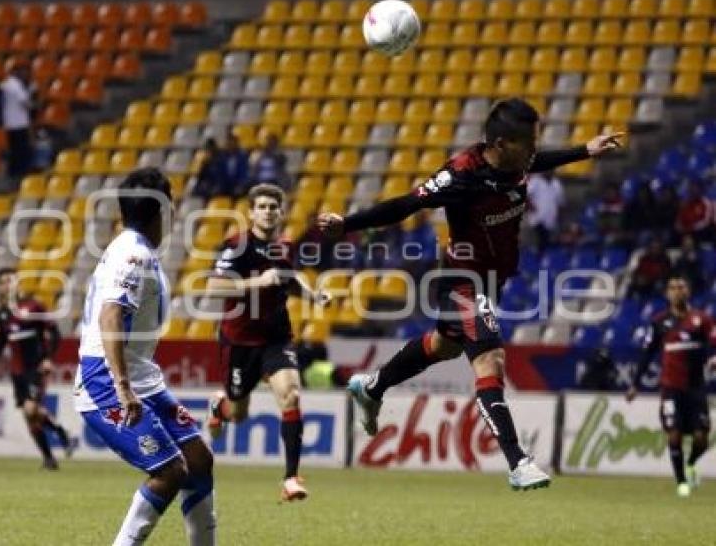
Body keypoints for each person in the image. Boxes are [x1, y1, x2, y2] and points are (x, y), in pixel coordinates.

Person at [318, 98, 622, 491]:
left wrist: (585, 149)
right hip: (464, 278)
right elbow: (408, 204)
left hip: (494, 279)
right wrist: (347, 224)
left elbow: (540, 160)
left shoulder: (518, 160)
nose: (533, 149)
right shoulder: (461, 174)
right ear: (499, 143)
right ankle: (518, 461)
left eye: (534, 141)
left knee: (443, 346)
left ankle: (372, 386)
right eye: (526, 142)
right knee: (490, 360)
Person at [75, 167, 216, 545]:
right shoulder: (134, 255)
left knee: (199, 459)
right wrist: (122, 386)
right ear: (163, 211)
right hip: (105, 378)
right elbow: (110, 315)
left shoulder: (133, 248)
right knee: (170, 472)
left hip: (142, 378)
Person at [204, 183, 331, 501]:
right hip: (240, 342)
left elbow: (289, 278)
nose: (268, 211)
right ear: (251, 212)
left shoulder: (285, 246)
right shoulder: (235, 246)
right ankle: (221, 406)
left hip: (277, 339)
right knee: (239, 414)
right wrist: (257, 282)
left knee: (291, 395)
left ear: (282, 212)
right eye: (262, 206)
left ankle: (290, 478)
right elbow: (214, 289)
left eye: (274, 207)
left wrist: (313, 295)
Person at [626, 275, 716, 498]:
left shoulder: (702, 320)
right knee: (674, 435)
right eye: (673, 288)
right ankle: (682, 482)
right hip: (671, 388)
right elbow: (647, 354)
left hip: (696, 388)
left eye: (681, 287)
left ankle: (692, 463)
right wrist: (635, 384)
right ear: (667, 294)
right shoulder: (659, 322)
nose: (677, 291)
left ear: (688, 292)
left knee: (701, 438)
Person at [0, 268, 73, 470]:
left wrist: (48, 358)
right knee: (29, 417)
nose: (7, 285)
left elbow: (54, 333)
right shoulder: (3, 314)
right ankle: (49, 457)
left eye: (10, 280)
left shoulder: (33, 306)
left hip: (35, 368)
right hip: (17, 372)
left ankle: (58, 432)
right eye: (3, 282)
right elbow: (0, 342)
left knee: (31, 409)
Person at [1, 61, 35, 179]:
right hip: (19, 123)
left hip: (9, 122)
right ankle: (21, 173)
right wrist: (34, 107)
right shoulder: (15, 84)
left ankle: (14, 173)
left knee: (14, 149)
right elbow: (24, 101)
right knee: (22, 150)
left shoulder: (4, 84)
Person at [526, 171, 564, 253]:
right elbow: (526, 195)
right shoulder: (536, 181)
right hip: (537, 217)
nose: (548, 172)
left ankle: (543, 258)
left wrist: (559, 215)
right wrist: (531, 206)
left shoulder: (556, 184)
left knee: (547, 241)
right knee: (541, 237)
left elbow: (560, 202)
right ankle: (538, 256)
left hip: (551, 218)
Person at [675, 179, 714, 244]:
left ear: (700, 189)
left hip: (700, 234)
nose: (692, 190)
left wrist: (691, 228)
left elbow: (706, 221)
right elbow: (679, 220)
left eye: (695, 187)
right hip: (686, 233)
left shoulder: (705, 203)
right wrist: (680, 227)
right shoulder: (686, 203)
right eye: (691, 187)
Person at [221, 132, 250, 197]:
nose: (230, 145)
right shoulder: (222, 157)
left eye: (232, 142)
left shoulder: (242, 156)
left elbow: (244, 173)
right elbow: (220, 173)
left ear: (236, 143)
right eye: (228, 143)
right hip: (226, 185)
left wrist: (241, 185)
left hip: (238, 184)